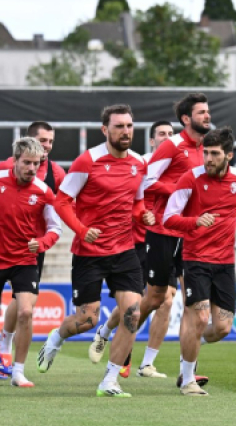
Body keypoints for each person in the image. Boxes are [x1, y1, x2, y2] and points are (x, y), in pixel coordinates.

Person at [37, 104, 155, 398]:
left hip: (124, 250)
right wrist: (81, 230)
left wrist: (143, 216)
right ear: (105, 130)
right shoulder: (87, 161)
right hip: (89, 253)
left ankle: (110, 381)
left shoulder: (139, 163)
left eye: (129, 126)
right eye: (119, 126)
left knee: (132, 314)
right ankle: (57, 336)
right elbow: (62, 201)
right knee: (86, 320)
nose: (125, 131)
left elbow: (137, 203)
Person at [92, 95, 210, 378]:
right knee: (154, 298)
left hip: (190, 233)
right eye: (202, 112)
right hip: (159, 233)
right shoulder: (170, 148)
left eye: (208, 111)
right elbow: (147, 182)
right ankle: (111, 333)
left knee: (188, 302)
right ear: (186, 118)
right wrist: (180, 191)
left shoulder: (206, 148)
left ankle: (182, 372)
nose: (207, 116)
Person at [0, 137, 61, 388]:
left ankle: (18, 372)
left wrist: (43, 242)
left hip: (24, 260)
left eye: (36, 164)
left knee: (26, 311)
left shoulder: (43, 191)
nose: (31, 168)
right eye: (26, 162)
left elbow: (55, 228)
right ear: (15, 160)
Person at [162, 126, 236, 396]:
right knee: (200, 318)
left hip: (225, 263)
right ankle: (187, 379)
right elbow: (169, 218)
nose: (208, 159)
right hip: (195, 260)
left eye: (215, 154)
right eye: (206, 153)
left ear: (229, 156)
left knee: (223, 328)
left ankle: (190, 343)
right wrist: (195, 221)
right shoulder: (190, 178)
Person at [100, 119, 177, 378]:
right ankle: (110, 333)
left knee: (166, 300)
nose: (167, 137)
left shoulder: (179, 166)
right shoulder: (142, 163)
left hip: (170, 237)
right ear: (152, 140)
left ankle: (147, 363)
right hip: (140, 240)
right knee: (139, 301)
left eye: (171, 133)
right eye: (162, 134)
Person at [0, 121, 66, 371]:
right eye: (43, 141)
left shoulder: (57, 173)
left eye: (51, 142)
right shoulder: (5, 169)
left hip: (32, 249)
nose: (47, 146)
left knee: (24, 305)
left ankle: (2, 350)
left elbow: (65, 206)